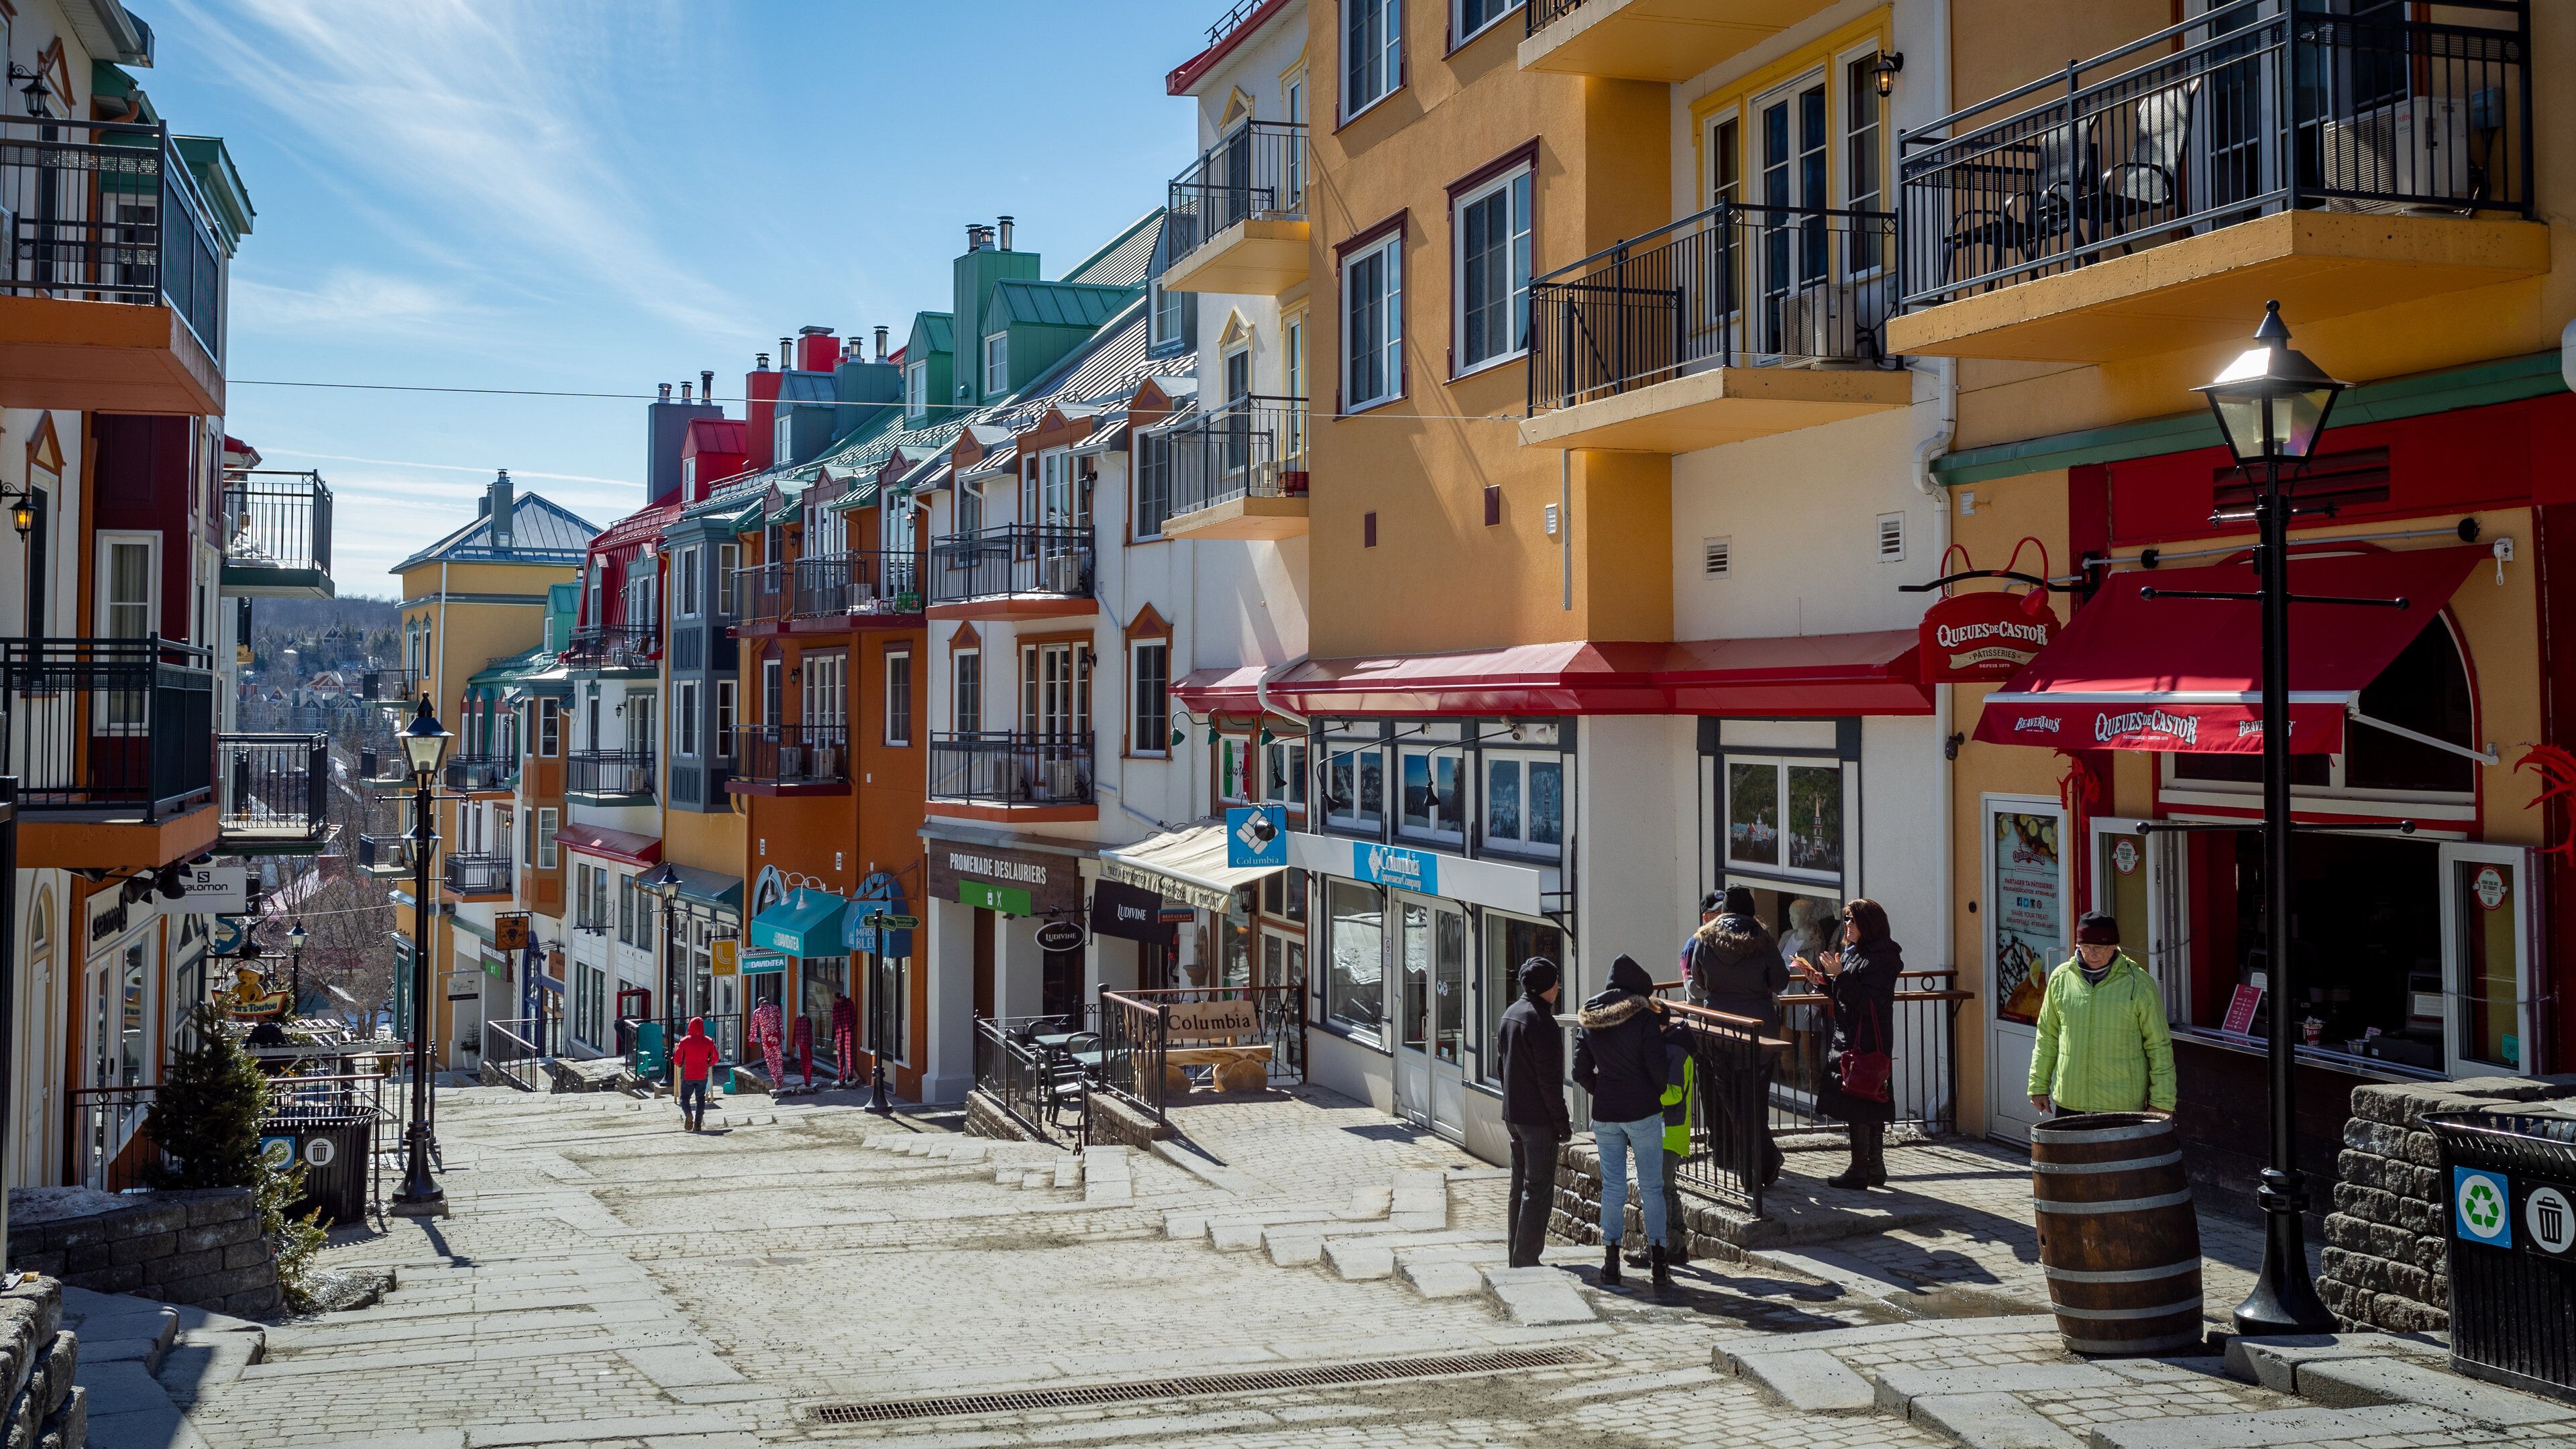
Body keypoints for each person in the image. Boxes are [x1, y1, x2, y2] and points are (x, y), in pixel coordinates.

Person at [1573, 954, 1672, 1292]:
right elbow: (1658, 1071)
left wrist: (1604, 1090)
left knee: (1613, 1187)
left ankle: (1611, 1261)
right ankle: (1659, 1262)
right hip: (1643, 1109)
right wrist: (1652, 1089)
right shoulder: (1644, 1017)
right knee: (1652, 1187)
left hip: (1606, 1112)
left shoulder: (1591, 1016)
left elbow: (1579, 1071)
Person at [1683, 885, 1788, 1187]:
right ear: (1752, 911)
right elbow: (1780, 981)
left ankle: (1756, 1170)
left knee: (1734, 1103)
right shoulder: (1763, 940)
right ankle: (1757, 1170)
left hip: (1718, 1030)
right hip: (1759, 1032)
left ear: (1726, 910)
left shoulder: (1705, 938)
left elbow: (1698, 983)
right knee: (1754, 1102)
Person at [2029, 912, 2176, 1118]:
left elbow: (2159, 1046)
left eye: (2098, 948)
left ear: (2114, 946)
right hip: (2071, 1101)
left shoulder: (2139, 984)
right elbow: (2047, 1037)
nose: (2091, 954)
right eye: (2085, 947)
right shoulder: (2061, 979)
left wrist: (2162, 1101)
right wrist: (2038, 1085)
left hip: (2121, 1105)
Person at [1800, 898, 1902, 1190]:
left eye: (1852, 921)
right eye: (1845, 920)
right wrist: (1822, 980)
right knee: (1867, 1100)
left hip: (1868, 1038)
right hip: (1853, 1034)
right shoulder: (1858, 953)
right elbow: (1846, 993)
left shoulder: (1881, 957)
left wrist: (1840, 975)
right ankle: (1874, 1167)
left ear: (1868, 926)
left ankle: (1861, 1169)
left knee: (1864, 1099)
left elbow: (1868, 1001)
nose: (1846, 926)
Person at [1495, 957, 1572, 1269]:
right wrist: (1561, 1121)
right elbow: (1549, 1081)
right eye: (1556, 982)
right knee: (1537, 1188)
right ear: (1545, 989)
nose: (1559, 987)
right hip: (1536, 1119)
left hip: (1513, 1115)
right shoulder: (1542, 1024)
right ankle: (1526, 1258)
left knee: (1519, 1186)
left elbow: (1502, 1068)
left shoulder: (1511, 1014)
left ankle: (1516, 1254)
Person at [673, 1016, 720, 1131]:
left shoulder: (684, 1041)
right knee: (700, 1099)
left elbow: (677, 1059)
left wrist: (679, 1065)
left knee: (684, 1098)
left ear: (690, 1027)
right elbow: (716, 1057)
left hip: (687, 1075)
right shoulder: (708, 1041)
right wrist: (708, 1064)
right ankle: (698, 1123)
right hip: (702, 1074)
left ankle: (689, 1115)